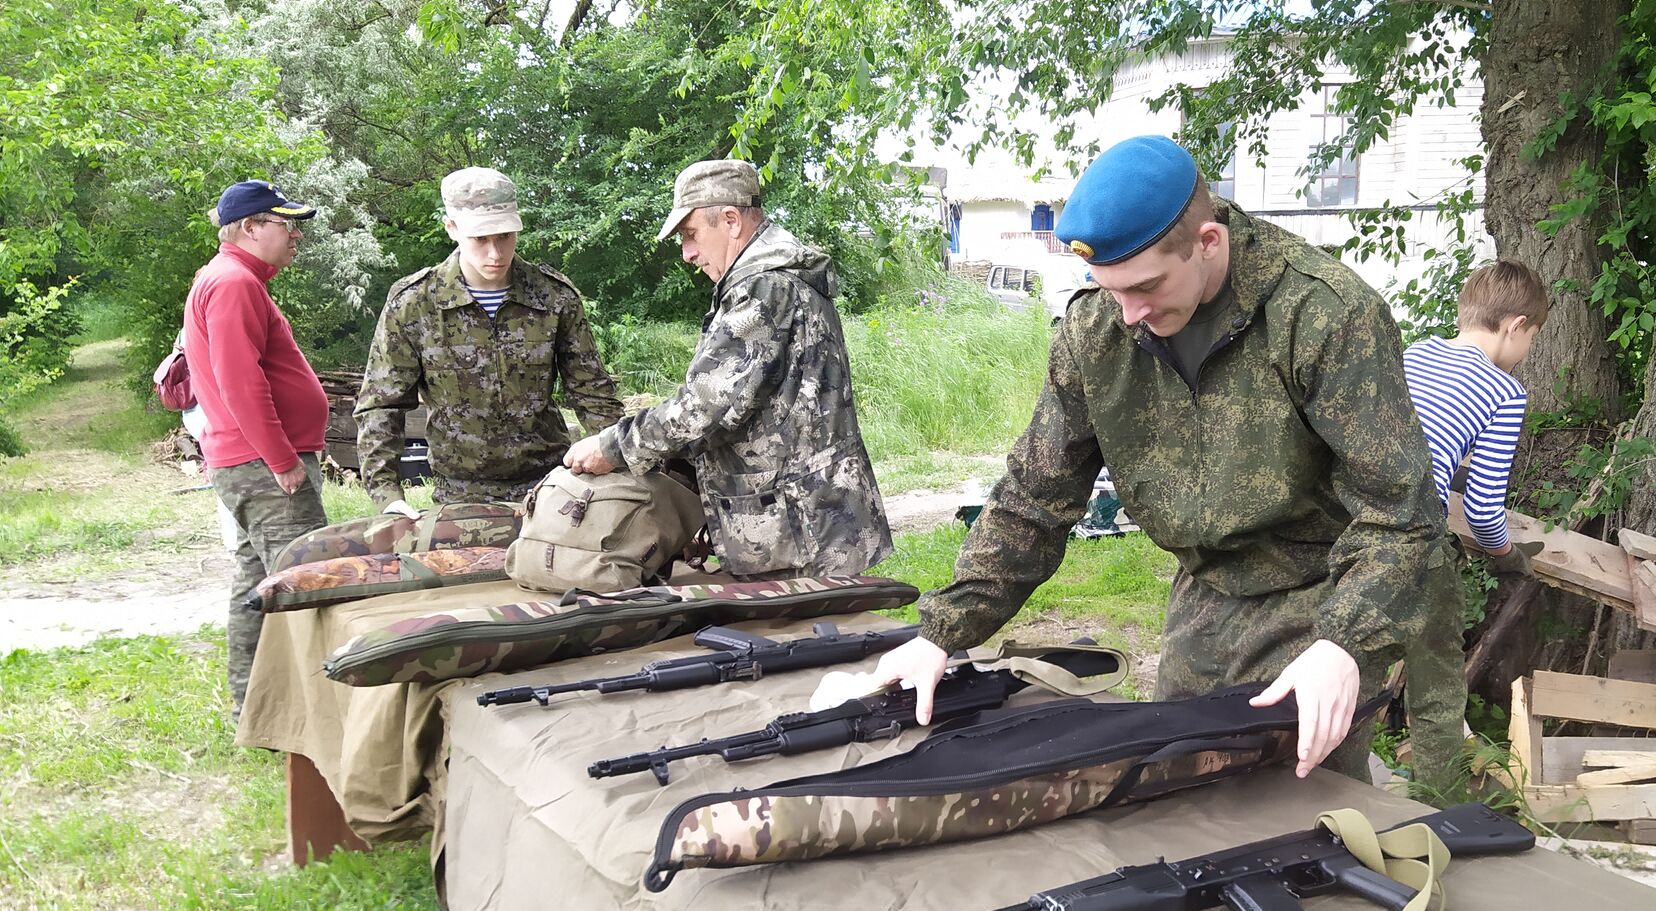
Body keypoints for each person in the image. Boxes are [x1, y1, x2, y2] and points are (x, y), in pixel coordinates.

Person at [856, 135, 1450, 781]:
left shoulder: (1322, 316)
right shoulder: (1098, 332)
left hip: (1323, 595)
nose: (1130, 314)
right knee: (1178, 782)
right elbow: (1034, 496)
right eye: (1111, 291)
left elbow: (1400, 510)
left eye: (1146, 287)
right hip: (1204, 593)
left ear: (1208, 242)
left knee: (1301, 802)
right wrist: (941, 633)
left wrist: (1345, 642)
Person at [563, 159, 891, 579]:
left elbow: (703, 407)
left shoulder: (765, 288)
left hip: (802, 534)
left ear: (732, 221)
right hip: (804, 523)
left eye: (691, 234)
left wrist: (613, 447)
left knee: (813, 625)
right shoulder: (770, 280)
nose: (687, 253)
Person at [357, 167, 624, 515]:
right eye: (480, 239)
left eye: (505, 236)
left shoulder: (553, 297)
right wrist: (387, 496)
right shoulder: (415, 303)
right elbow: (382, 404)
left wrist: (618, 462)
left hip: (550, 485)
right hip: (459, 494)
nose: (495, 253)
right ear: (451, 228)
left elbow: (594, 394)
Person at [182, 180, 330, 711]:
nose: (296, 236)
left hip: (250, 463)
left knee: (257, 583)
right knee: (310, 582)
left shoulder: (232, 278)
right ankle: (316, 713)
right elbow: (240, 384)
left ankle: (254, 707)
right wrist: (282, 460)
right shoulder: (232, 283)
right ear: (250, 227)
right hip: (262, 466)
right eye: (286, 224)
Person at [1398, 260, 1546, 790]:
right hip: (1412, 535)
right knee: (1437, 677)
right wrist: (1507, 556)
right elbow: (1483, 509)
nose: (1526, 352)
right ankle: (1442, 798)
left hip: (1350, 516)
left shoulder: (1416, 353)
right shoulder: (1505, 392)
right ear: (1515, 326)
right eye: (1531, 339)